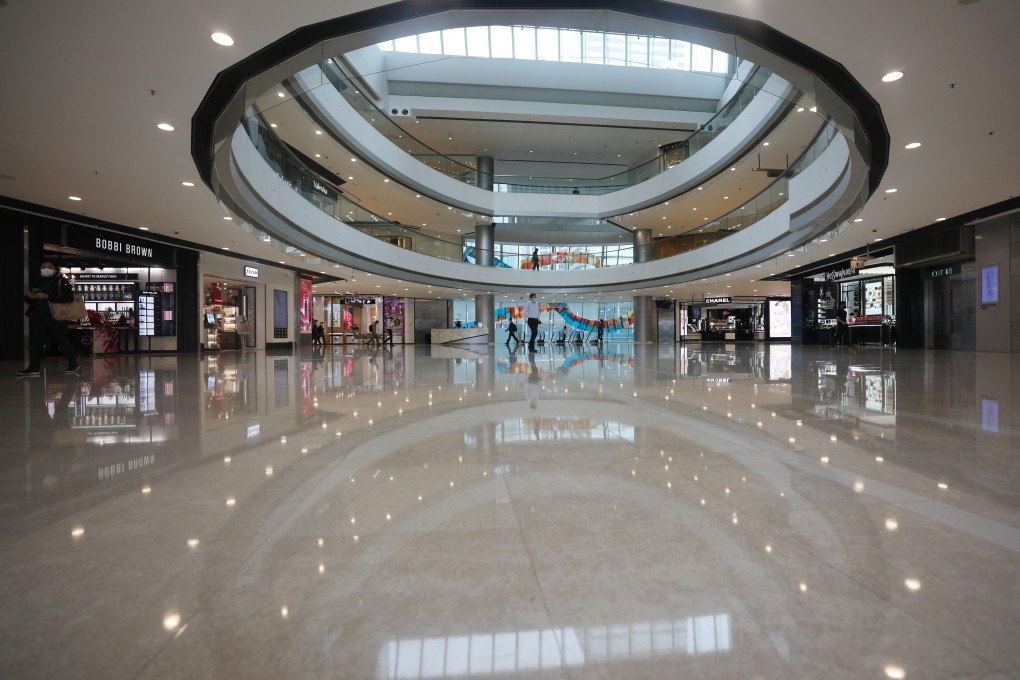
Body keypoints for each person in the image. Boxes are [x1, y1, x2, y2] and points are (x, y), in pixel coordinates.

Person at [19, 260, 80, 377]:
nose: (46, 268)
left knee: (61, 340)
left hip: (58, 316)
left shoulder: (61, 281)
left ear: (56, 269)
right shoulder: (38, 280)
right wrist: (29, 297)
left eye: (50, 267)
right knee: (36, 342)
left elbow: (68, 298)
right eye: (43, 266)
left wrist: (47, 296)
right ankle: (33, 368)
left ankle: (73, 363)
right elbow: (31, 300)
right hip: (39, 316)